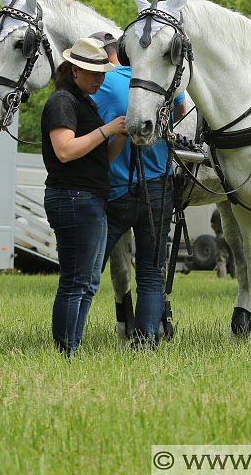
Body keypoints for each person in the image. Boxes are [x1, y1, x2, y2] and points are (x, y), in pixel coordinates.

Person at [90, 31, 185, 348]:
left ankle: (70, 337)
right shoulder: (157, 77)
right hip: (159, 186)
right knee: (150, 272)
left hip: (115, 189)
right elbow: (183, 109)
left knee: (89, 270)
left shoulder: (100, 83)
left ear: (102, 56)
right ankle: (145, 343)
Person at [41, 37, 126, 355]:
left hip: (89, 198)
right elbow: (64, 151)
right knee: (76, 281)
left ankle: (71, 346)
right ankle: (66, 348)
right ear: (75, 70)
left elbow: (100, 159)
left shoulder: (85, 102)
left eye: (102, 73)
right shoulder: (62, 102)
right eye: (93, 73)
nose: (100, 79)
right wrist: (107, 130)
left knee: (88, 281)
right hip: (73, 198)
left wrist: (121, 135)